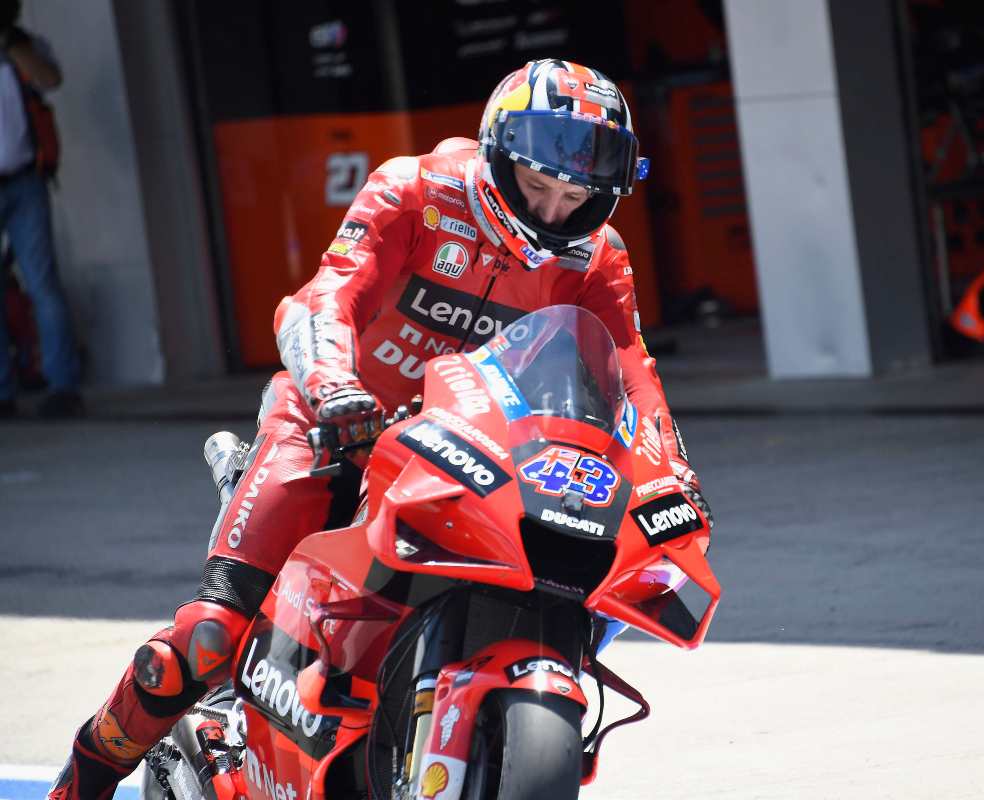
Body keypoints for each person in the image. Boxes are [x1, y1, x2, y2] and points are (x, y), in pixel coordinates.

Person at [50, 58, 712, 799]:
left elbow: (633, 375)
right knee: (204, 642)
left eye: (576, 196)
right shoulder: (415, 190)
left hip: (480, 456)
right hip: (336, 429)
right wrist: (335, 389)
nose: (554, 213)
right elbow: (322, 296)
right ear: (497, 156)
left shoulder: (599, 259)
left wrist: (670, 474)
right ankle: (80, 782)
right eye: (537, 189)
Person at [0, 0, 81, 419]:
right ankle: (3, 392)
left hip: (24, 179)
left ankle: (64, 385)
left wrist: (14, 44)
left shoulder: (24, 47)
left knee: (42, 283)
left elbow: (51, 79)